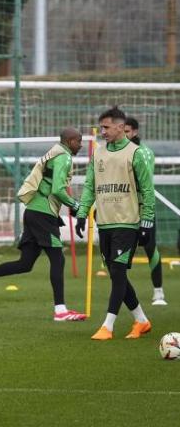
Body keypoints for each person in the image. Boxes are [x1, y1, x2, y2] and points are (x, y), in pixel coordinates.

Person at [0, 128, 87, 321]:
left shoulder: (54, 152)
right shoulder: (64, 157)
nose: (81, 145)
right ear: (70, 141)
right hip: (42, 213)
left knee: (25, 264)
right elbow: (58, 189)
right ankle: (60, 310)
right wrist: (77, 206)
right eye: (79, 141)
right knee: (58, 259)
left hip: (34, 211)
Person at [76, 107, 155, 340]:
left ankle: (107, 326)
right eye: (101, 127)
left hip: (127, 223)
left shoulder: (135, 153)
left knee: (118, 272)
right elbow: (90, 185)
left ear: (121, 127)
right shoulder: (98, 153)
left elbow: (147, 190)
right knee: (115, 273)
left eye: (107, 127)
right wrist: (82, 213)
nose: (103, 132)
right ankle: (141, 321)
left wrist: (146, 221)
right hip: (105, 223)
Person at [123, 117, 165, 306]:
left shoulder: (144, 153)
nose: (124, 135)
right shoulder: (117, 151)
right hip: (123, 209)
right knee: (122, 253)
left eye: (127, 132)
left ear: (135, 132)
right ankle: (123, 293)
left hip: (143, 208)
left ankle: (158, 292)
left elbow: (143, 181)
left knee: (150, 247)